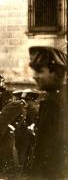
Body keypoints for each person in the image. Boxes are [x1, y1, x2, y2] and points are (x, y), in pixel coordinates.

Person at [28, 46, 67, 178]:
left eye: (39, 71)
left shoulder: (58, 104)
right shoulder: (51, 99)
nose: (34, 76)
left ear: (56, 72)